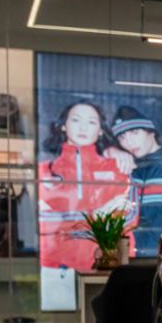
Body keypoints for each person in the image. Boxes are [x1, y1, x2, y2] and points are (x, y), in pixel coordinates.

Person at [38, 100, 132, 272]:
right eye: (75, 120)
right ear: (63, 126)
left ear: (101, 130)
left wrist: (72, 222)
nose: (83, 128)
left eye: (91, 122)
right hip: (56, 265)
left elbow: (129, 219)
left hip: (107, 265)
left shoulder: (118, 168)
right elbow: (44, 222)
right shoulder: (44, 171)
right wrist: (96, 216)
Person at [111, 108, 162, 258]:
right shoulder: (130, 169)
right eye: (122, 137)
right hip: (136, 256)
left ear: (151, 131)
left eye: (135, 132)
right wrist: (110, 151)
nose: (129, 142)